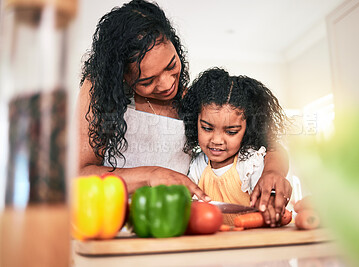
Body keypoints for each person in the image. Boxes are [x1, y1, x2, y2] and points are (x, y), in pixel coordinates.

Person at [77, 0, 291, 226]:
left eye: (171, 65)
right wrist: (151, 175)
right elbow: (79, 177)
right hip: (112, 223)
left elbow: (270, 147)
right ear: (122, 77)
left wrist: (273, 172)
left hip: (174, 226)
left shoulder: (191, 100)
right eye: (147, 81)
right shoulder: (100, 94)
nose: (168, 84)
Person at [180, 68, 290, 226]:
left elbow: (265, 193)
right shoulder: (198, 165)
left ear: (248, 129)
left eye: (231, 132)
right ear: (194, 122)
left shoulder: (251, 162)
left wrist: (270, 204)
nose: (217, 140)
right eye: (207, 128)